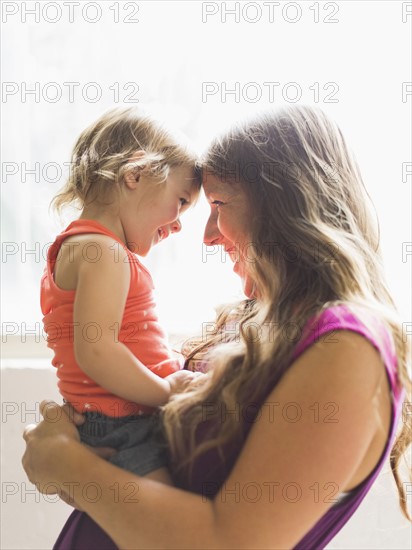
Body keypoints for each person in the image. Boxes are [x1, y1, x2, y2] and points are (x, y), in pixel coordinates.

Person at [23, 105, 411, 550]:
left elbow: (229, 543)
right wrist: (79, 451)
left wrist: (65, 463)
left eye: (219, 204)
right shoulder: (250, 325)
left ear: (285, 207)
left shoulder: (345, 348)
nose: (206, 236)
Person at [40, 106, 201, 482]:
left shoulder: (85, 246)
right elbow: (97, 350)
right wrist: (165, 392)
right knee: (163, 521)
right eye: (180, 202)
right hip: (122, 425)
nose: (178, 225)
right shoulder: (104, 252)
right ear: (135, 174)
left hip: (111, 418)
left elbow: (122, 338)